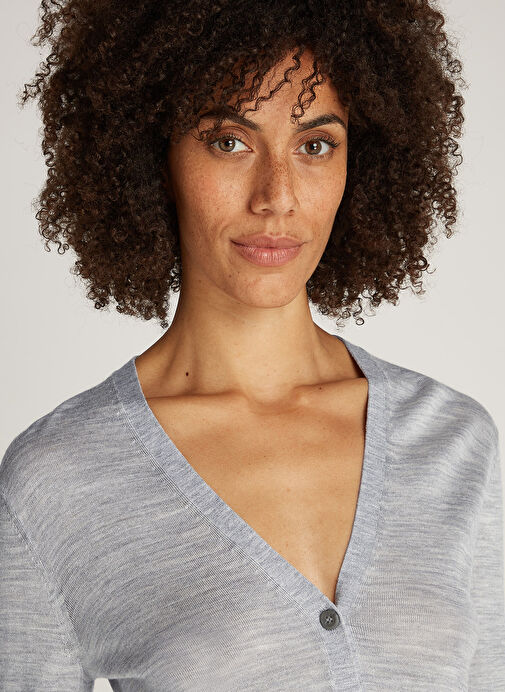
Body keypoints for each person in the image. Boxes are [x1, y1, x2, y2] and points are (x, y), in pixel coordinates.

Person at [1, 1, 503, 690]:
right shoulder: (59, 480)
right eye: (228, 141)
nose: (276, 196)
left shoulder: (453, 443)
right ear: (154, 156)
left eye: (315, 145)